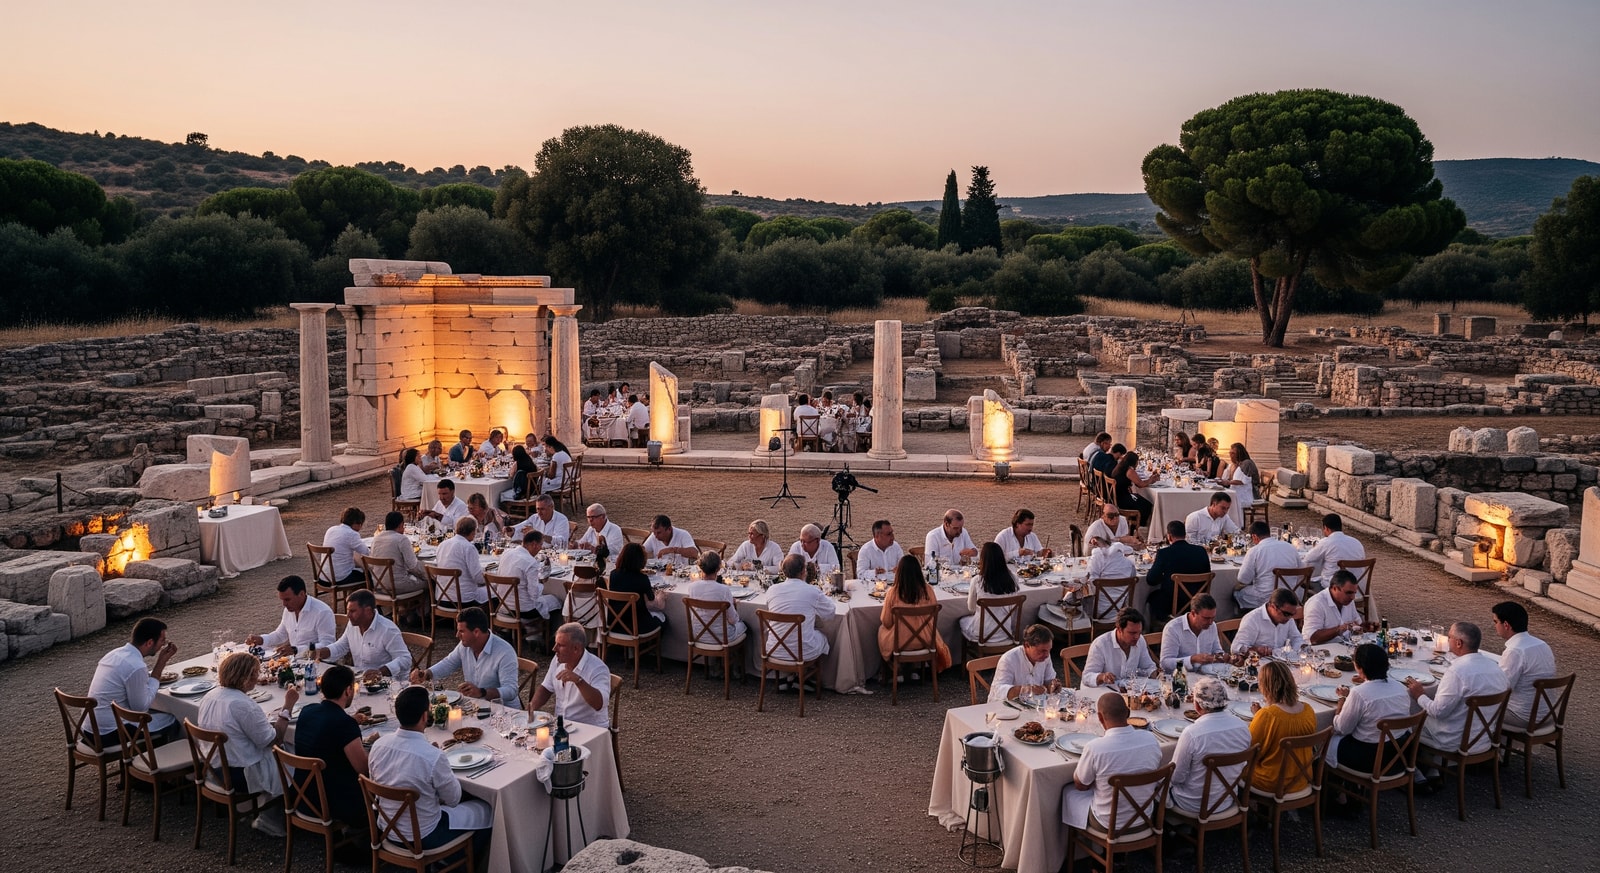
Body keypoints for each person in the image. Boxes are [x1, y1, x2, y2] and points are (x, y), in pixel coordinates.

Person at [368, 686, 492, 852]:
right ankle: (460, 861)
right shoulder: (432, 756)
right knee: (489, 810)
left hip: (387, 830)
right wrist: (439, 761)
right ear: (425, 716)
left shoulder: (378, 745)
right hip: (425, 836)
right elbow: (454, 799)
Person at [199, 652, 297, 837]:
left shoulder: (210, 695)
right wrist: (287, 707)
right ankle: (271, 817)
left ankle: (270, 812)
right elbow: (274, 740)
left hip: (212, 768)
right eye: (256, 673)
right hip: (238, 774)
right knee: (293, 754)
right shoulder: (243, 704)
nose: (258, 677)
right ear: (248, 677)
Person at [1063, 694, 1163, 832]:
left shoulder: (1095, 748)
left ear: (1100, 717)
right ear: (1128, 713)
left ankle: (1067, 844)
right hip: (1145, 818)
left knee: (1068, 792)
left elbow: (1081, 785)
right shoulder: (1151, 739)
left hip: (1108, 824)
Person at [1409, 621, 1509, 755]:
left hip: (1452, 741)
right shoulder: (1496, 668)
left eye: (1449, 637)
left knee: (1406, 715)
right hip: (1484, 739)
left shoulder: (1457, 671)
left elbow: (1438, 712)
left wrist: (1419, 695)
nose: (1447, 640)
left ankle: (1409, 762)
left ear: (1458, 643)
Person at [293, 664, 368, 827]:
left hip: (302, 796)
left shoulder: (307, 711)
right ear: (348, 690)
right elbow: (364, 769)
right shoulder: (345, 724)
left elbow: (326, 729)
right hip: (331, 803)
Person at [87, 617, 179, 744]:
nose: (163, 645)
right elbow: (140, 708)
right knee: (173, 719)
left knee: (156, 714)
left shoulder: (113, 654)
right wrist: (160, 665)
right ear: (149, 643)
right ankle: (154, 756)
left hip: (89, 730)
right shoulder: (136, 666)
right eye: (162, 641)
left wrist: (161, 663)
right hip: (109, 733)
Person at [1169, 676, 1252, 815]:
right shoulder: (1243, 727)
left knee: (1157, 783)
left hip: (1193, 803)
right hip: (1227, 799)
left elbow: (1176, 778)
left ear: (1197, 706)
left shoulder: (1192, 733)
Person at [410, 607, 520, 708]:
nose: (457, 635)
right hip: (476, 706)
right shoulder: (465, 645)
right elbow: (449, 663)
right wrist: (426, 674)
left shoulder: (504, 652)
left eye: (461, 631)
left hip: (505, 712)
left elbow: (511, 690)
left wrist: (482, 692)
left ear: (476, 632)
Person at [1329, 643, 1413, 773]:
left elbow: (1342, 728)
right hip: (1398, 757)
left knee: (1325, 741)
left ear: (1359, 668)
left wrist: (1342, 698)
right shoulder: (1401, 688)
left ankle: (1328, 781)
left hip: (1368, 759)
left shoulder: (1359, 693)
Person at [1248, 660, 1319, 793]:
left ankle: (1244, 801)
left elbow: (1251, 752)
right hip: (1302, 778)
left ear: (1265, 686)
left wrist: (1258, 717)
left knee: (1236, 766)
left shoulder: (1268, 715)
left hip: (1272, 781)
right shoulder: (1308, 710)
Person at [877, 554, 952, 675]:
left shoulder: (893, 592)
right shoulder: (928, 590)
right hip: (925, 640)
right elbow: (932, 618)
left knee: (881, 629)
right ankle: (912, 669)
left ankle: (894, 670)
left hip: (900, 642)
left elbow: (886, 622)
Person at [764, 554, 837, 675]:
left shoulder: (772, 590)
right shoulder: (812, 591)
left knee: (800, 632)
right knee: (823, 636)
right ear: (803, 571)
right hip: (803, 653)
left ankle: (792, 676)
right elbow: (830, 613)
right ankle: (815, 676)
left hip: (773, 649)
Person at [316, 589, 412, 681]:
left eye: (352, 611)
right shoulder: (352, 624)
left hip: (388, 683)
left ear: (368, 611)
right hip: (360, 679)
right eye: (348, 610)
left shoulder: (388, 630)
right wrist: (325, 651)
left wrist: (381, 672)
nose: (348, 615)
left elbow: (405, 659)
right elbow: (342, 646)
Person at [528, 623, 612, 727]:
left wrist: (579, 681)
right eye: (555, 643)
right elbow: (546, 688)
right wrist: (531, 708)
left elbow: (599, 704)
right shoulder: (557, 660)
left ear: (576, 648)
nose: (554, 649)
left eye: (560, 645)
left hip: (590, 729)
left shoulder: (597, 668)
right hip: (561, 726)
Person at [1490, 600, 1557, 730]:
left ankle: (1482, 742)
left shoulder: (1515, 651)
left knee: (1471, 708)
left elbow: (1501, 688)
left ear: (1506, 625)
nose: (1495, 626)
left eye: (1496, 622)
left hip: (1523, 717)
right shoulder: (1542, 644)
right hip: (1548, 713)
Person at [247, 575, 337, 656]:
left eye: (287, 600)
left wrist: (297, 650)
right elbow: (280, 635)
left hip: (317, 661)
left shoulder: (322, 612)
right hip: (295, 659)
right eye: (282, 600)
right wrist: (261, 639)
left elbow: (327, 645)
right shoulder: (289, 609)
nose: (284, 604)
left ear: (301, 594)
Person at [1146, 520, 1210, 623]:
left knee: (1153, 597)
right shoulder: (1201, 551)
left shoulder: (1164, 553)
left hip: (1172, 602)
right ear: (1185, 535)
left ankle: (1161, 624)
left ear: (1169, 537)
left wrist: (1164, 577)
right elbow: (1207, 573)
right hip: (1198, 600)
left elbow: (1151, 580)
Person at [369, 511, 429, 615]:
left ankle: (405, 609)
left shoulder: (376, 539)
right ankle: (422, 614)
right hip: (398, 586)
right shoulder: (401, 539)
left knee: (410, 575)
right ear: (401, 525)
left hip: (378, 585)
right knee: (429, 584)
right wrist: (427, 574)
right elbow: (413, 566)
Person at [1233, 521, 1302, 611]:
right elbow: (1301, 572)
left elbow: (1243, 579)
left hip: (1267, 598)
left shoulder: (1255, 551)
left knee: (1237, 593)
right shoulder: (1290, 547)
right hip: (1292, 596)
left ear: (1254, 536)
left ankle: (1249, 617)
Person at [962, 542, 1021, 646]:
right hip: (1005, 632)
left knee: (961, 621)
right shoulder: (1013, 579)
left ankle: (959, 654)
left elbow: (971, 608)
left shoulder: (977, 580)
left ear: (983, 560)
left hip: (982, 633)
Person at [683, 551, 748, 645]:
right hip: (722, 638)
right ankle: (736, 654)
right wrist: (732, 604)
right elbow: (733, 620)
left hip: (698, 635)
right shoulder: (724, 590)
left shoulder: (692, 587)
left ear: (700, 567)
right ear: (718, 569)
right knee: (746, 626)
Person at [1082, 608, 1159, 687]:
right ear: (1119, 629)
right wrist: (1102, 677)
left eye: (1139, 632)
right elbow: (1086, 676)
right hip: (1104, 690)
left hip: (1129, 689)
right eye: (1132, 633)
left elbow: (1148, 667)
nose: (1136, 637)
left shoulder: (1140, 640)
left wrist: (1156, 674)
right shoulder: (1101, 644)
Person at [498, 528, 561, 620]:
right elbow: (534, 594)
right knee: (557, 600)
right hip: (524, 610)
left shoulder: (506, 553)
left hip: (503, 606)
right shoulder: (530, 562)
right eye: (541, 545)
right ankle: (548, 629)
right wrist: (541, 582)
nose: (541, 548)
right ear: (534, 544)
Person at [605, 542, 666, 632]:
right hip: (636, 627)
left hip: (614, 624)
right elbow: (651, 600)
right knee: (664, 621)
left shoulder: (613, 574)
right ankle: (650, 641)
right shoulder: (642, 579)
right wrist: (661, 595)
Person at [989, 624, 1060, 701]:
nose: (1047, 655)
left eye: (1049, 650)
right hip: (1006, 706)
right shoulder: (1009, 659)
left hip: (1034, 704)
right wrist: (1026, 690)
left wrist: (1052, 685)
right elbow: (998, 691)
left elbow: (1049, 679)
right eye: (1042, 651)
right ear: (1027, 645)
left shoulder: (1045, 657)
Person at [1159, 594, 1227, 673]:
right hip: (1180, 675)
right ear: (1193, 613)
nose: (1210, 622)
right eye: (1206, 618)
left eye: (1213, 618)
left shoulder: (1212, 626)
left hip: (1206, 674)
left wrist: (1222, 657)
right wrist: (1192, 659)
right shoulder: (1173, 628)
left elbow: (1217, 650)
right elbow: (1165, 663)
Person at [434, 516, 489, 607]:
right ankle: (487, 616)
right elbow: (478, 578)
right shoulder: (468, 547)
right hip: (464, 600)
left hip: (442, 598)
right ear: (473, 532)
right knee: (495, 591)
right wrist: (492, 579)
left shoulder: (443, 544)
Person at [1232, 588, 1305, 655]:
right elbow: (1235, 648)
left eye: (1293, 614)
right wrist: (1255, 650)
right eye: (1286, 614)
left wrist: (1297, 649)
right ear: (1273, 607)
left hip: (1282, 660)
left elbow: (1296, 638)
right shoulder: (1253, 619)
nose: (1289, 618)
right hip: (1259, 662)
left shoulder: (1288, 617)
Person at [1302, 569, 1365, 645]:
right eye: (1348, 593)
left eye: (1354, 593)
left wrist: (1367, 627)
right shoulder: (1316, 603)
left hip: (1345, 645)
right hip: (1321, 649)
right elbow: (1313, 638)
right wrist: (1340, 629)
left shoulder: (1348, 600)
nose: (1353, 597)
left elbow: (1357, 624)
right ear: (1335, 588)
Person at [1301, 513, 1366, 585]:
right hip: (1358, 586)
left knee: (1303, 583)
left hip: (1334, 586)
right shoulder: (1356, 542)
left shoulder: (1326, 542)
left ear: (1326, 528)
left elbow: (1308, 559)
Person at [322, 507, 370, 585]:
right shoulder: (352, 534)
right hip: (339, 578)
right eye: (360, 524)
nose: (360, 527)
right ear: (356, 523)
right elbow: (366, 553)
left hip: (324, 577)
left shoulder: (331, 529)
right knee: (369, 575)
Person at [1111, 449, 1158, 528]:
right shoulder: (1129, 471)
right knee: (1147, 505)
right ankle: (1137, 526)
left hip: (1116, 498)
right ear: (1134, 462)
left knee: (1140, 498)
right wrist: (1151, 480)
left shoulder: (1119, 467)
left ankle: (1135, 524)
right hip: (1122, 501)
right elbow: (1140, 484)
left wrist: (1149, 480)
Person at [1218, 442, 1258, 510]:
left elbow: (1242, 481)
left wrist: (1228, 482)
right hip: (1236, 491)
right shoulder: (1237, 464)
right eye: (1230, 453)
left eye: (1233, 453)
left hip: (1247, 495)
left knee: (1224, 500)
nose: (1231, 455)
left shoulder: (1247, 463)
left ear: (1239, 454)